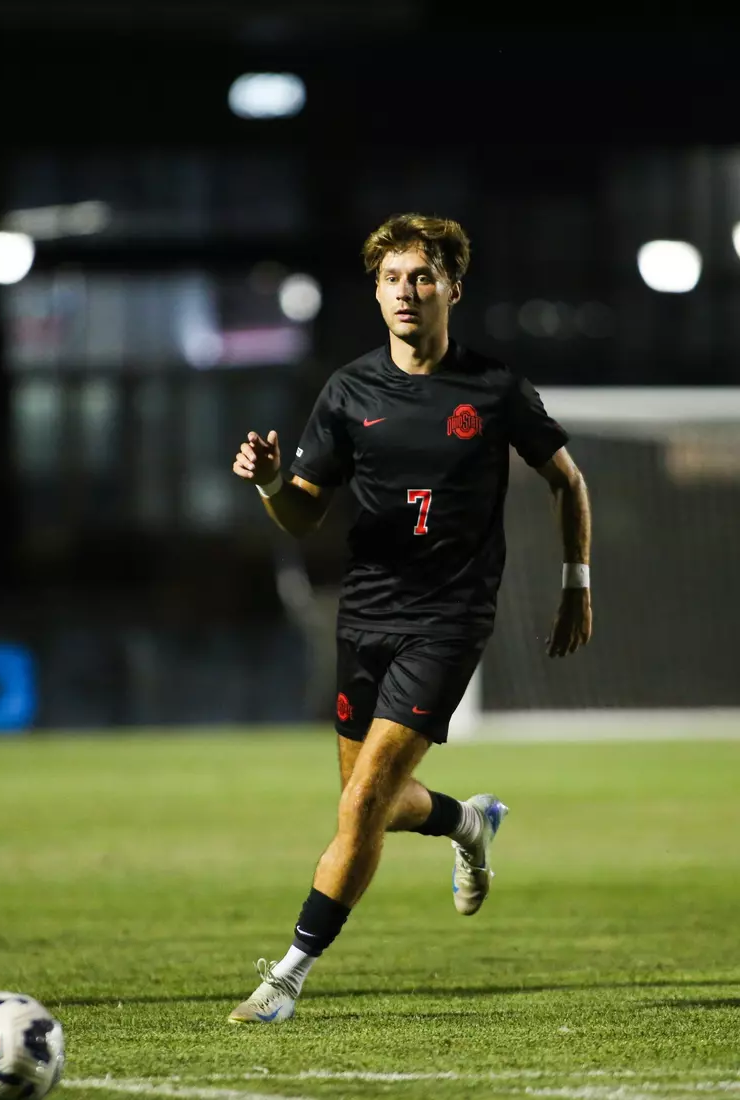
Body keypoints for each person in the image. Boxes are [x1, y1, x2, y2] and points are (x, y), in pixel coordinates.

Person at [228, 213, 592, 1023]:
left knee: (360, 808)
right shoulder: (350, 391)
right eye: (392, 278)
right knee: (372, 801)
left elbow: (568, 481)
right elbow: (300, 515)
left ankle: (287, 975)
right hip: (366, 616)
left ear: (451, 290)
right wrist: (269, 481)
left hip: (449, 620)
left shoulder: (493, 388)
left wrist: (577, 583)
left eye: (421, 277)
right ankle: (470, 823)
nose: (405, 292)